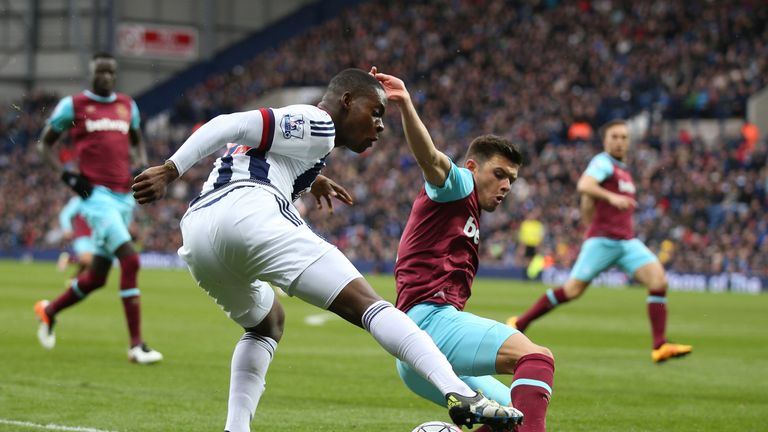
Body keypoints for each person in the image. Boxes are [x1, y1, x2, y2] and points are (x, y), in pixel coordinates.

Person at [131, 68, 522, 432]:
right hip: (249, 211)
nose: (380, 126)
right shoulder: (317, 122)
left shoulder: (309, 143)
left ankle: (236, 428)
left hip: (199, 235)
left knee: (267, 323)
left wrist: (312, 178)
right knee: (372, 307)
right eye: (375, 112)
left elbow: (259, 151)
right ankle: (461, 392)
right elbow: (225, 124)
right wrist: (170, 169)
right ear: (347, 101)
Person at [372, 69, 553, 432]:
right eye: (499, 174)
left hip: (418, 352)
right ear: (472, 166)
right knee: (537, 358)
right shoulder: (459, 184)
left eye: (511, 181)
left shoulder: (464, 206)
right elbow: (433, 160)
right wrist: (407, 104)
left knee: (510, 416)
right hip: (430, 324)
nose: (505, 186)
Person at [507, 120, 693, 363]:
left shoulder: (623, 170)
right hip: (602, 241)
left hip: (626, 242)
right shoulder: (602, 162)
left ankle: (660, 345)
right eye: (614, 136)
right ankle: (520, 322)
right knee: (572, 291)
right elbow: (584, 184)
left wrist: (597, 202)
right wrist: (611, 197)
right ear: (605, 141)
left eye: (624, 137)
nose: (619, 141)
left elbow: (588, 205)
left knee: (659, 280)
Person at [35, 52, 162, 364]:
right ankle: (136, 346)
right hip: (96, 198)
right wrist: (66, 174)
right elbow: (44, 144)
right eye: (100, 71)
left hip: (123, 198)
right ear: (91, 73)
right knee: (130, 261)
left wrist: (142, 164)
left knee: (96, 278)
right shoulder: (74, 106)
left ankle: (48, 311)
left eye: (110, 71)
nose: (105, 76)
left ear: (115, 75)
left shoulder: (127, 106)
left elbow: (136, 139)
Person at [56, 196, 94, 276]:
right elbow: (65, 214)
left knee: (88, 266)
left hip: (96, 237)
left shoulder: (100, 200)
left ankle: (74, 282)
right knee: (89, 260)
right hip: (82, 237)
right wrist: (67, 229)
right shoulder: (79, 200)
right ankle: (68, 259)